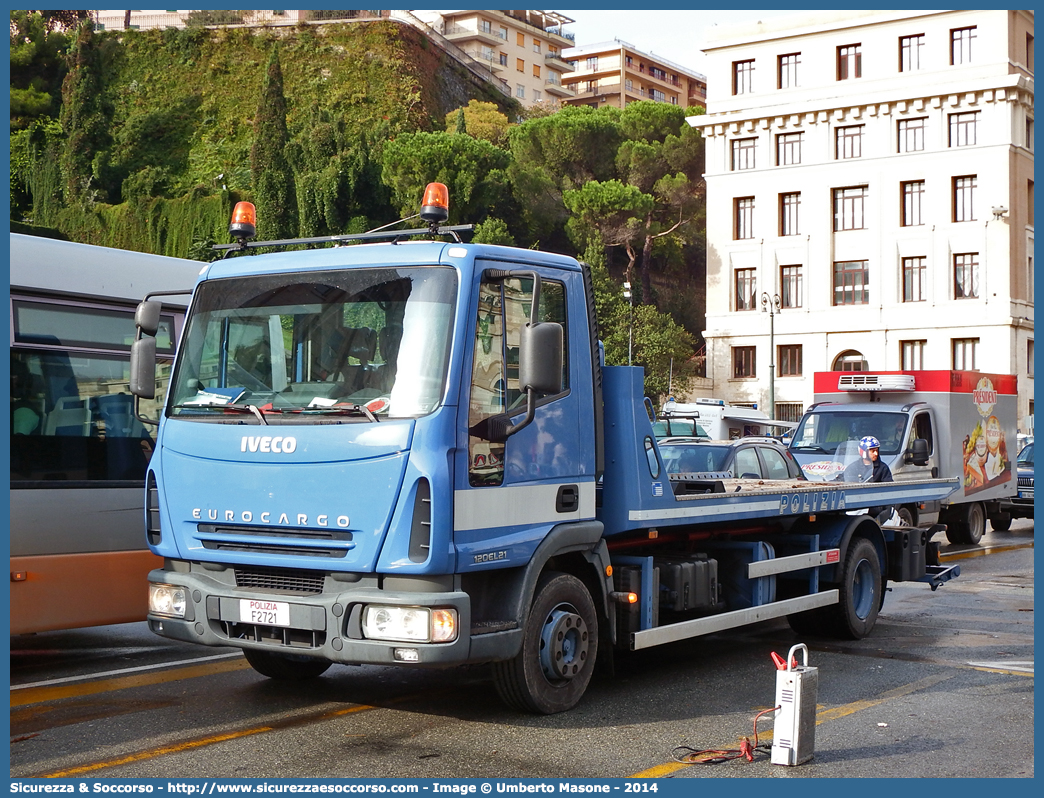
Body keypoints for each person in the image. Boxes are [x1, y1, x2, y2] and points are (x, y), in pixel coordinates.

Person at [842, 435, 894, 523]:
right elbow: (844, 478)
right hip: (858, 503)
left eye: (877, 450)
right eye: (872, 451)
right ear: (863, 452)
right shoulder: (853, 467)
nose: (876, 454)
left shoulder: (883, 468)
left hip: (875, 506)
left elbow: (889, 488)